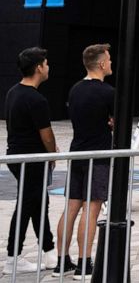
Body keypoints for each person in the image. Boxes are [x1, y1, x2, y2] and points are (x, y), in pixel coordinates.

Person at [56, 43, 115, 280]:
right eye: (109, 59)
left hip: (77, 152)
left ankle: (62, 262)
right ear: (101, 63)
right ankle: (84, 264)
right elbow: (117, 123)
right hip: (97, 156)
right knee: (92, 209)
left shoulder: (75, 89)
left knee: (71, 207)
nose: (111, 63)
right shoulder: (108, 92)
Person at [4, 48, 58, 276]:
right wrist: (53, 155)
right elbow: (46, 134)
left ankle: (49, 250)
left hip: (17, 156)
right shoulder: (36, 99)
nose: (48, 67)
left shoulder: (13, 92)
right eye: (46, 63)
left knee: (38, 203)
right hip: (33, 159)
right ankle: (13, 257)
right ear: (38, 67)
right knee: (27, 206)